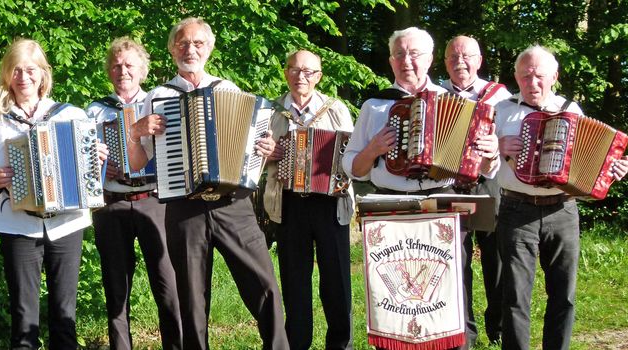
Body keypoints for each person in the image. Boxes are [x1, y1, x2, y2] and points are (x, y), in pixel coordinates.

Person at [127, 17, 288, 350]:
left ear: (209, 48)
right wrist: (135, 131)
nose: (190, 49)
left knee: (265, 285)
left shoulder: (227, 90)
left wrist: (267, 149)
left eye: (198, 43)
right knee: (192, 301)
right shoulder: (158, 96)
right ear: (172, 49)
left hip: (233, 205)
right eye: (183, 43)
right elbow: (138, 163)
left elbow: (255, 148)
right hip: (184, 207)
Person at [0, 38, 108, 349]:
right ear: (7, 74)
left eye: (30, 69)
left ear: (43, 73)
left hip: (67, 223)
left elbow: (90, 173)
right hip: (17, 224)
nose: (23, 77)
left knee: (65, 315)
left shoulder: (70, 115)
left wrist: (95, 156)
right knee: (24, 316)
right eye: (16, 70)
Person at [494, 45, 628, 350]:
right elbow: (481, 163)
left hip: (563, 210)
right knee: (515, 295)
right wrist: (499, 145)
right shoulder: (500, 111)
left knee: (564, 293)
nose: (533, 82)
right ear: (516, 76)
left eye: (539, 76)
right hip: (516, 209)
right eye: (526, 76)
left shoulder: (572, 111)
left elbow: (589, 159)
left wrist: (613, 167)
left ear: (554, 76)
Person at [86, 37, 182, 350]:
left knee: (168, 283)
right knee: (116, 286)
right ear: (108, 71)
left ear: (143, 70)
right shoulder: (94, 110)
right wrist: (99, 170)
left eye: (129, 65)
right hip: (111, 204)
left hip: (154, 200)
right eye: (116, 65)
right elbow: (80, 161)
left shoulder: (158, 104)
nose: (122, 70)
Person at [262, 50, 354, 350]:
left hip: (330, 203)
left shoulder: (335, 109)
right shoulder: (272, 111)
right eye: (294, 69)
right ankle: (297, 343)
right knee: (294, 280)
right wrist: (268, 154)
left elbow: (351, 155)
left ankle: (340, 344)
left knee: (337, 280)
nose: (301, 76)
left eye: (308, 71)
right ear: (285, 72)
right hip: (289, 203)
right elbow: (251, 158)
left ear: (319, 77)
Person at [343, 27, 499, 196]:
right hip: (387, 201)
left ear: (429, 60)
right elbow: (354, 170)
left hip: (442, 200)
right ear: (391, 61)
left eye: (414, 54)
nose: (406, 61)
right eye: (399, 54)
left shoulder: (458, 104)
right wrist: (371, 151)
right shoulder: (374, 106)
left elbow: (484, 170)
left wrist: (491, 154)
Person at [441, 35, 513, 346]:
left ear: (479, 61)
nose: (460, 62)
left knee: (496, 257)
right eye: (453, 57)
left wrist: (496, 144)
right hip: (449, 182)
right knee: (456, 257)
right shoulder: (436, 95)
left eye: (467, 56)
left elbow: (512, 137)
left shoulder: (500, 96)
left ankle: (497, 325)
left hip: (489, 182)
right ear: (445, 62)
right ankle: (464, 331)